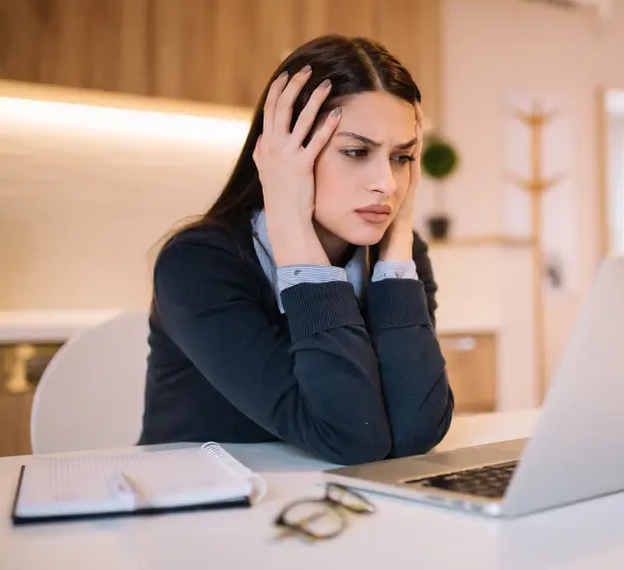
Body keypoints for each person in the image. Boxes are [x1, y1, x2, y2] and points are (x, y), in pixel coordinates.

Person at [139, 35, 454, 465]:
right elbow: (351, 438)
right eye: (356, 151)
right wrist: (289, 223)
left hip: (328, 507)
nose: (388, 183)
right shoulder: (198, 265)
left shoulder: (398, 257)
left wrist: (399, 240)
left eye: (402, 157)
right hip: (197, 513)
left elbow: (417, 432)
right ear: (285, 153)